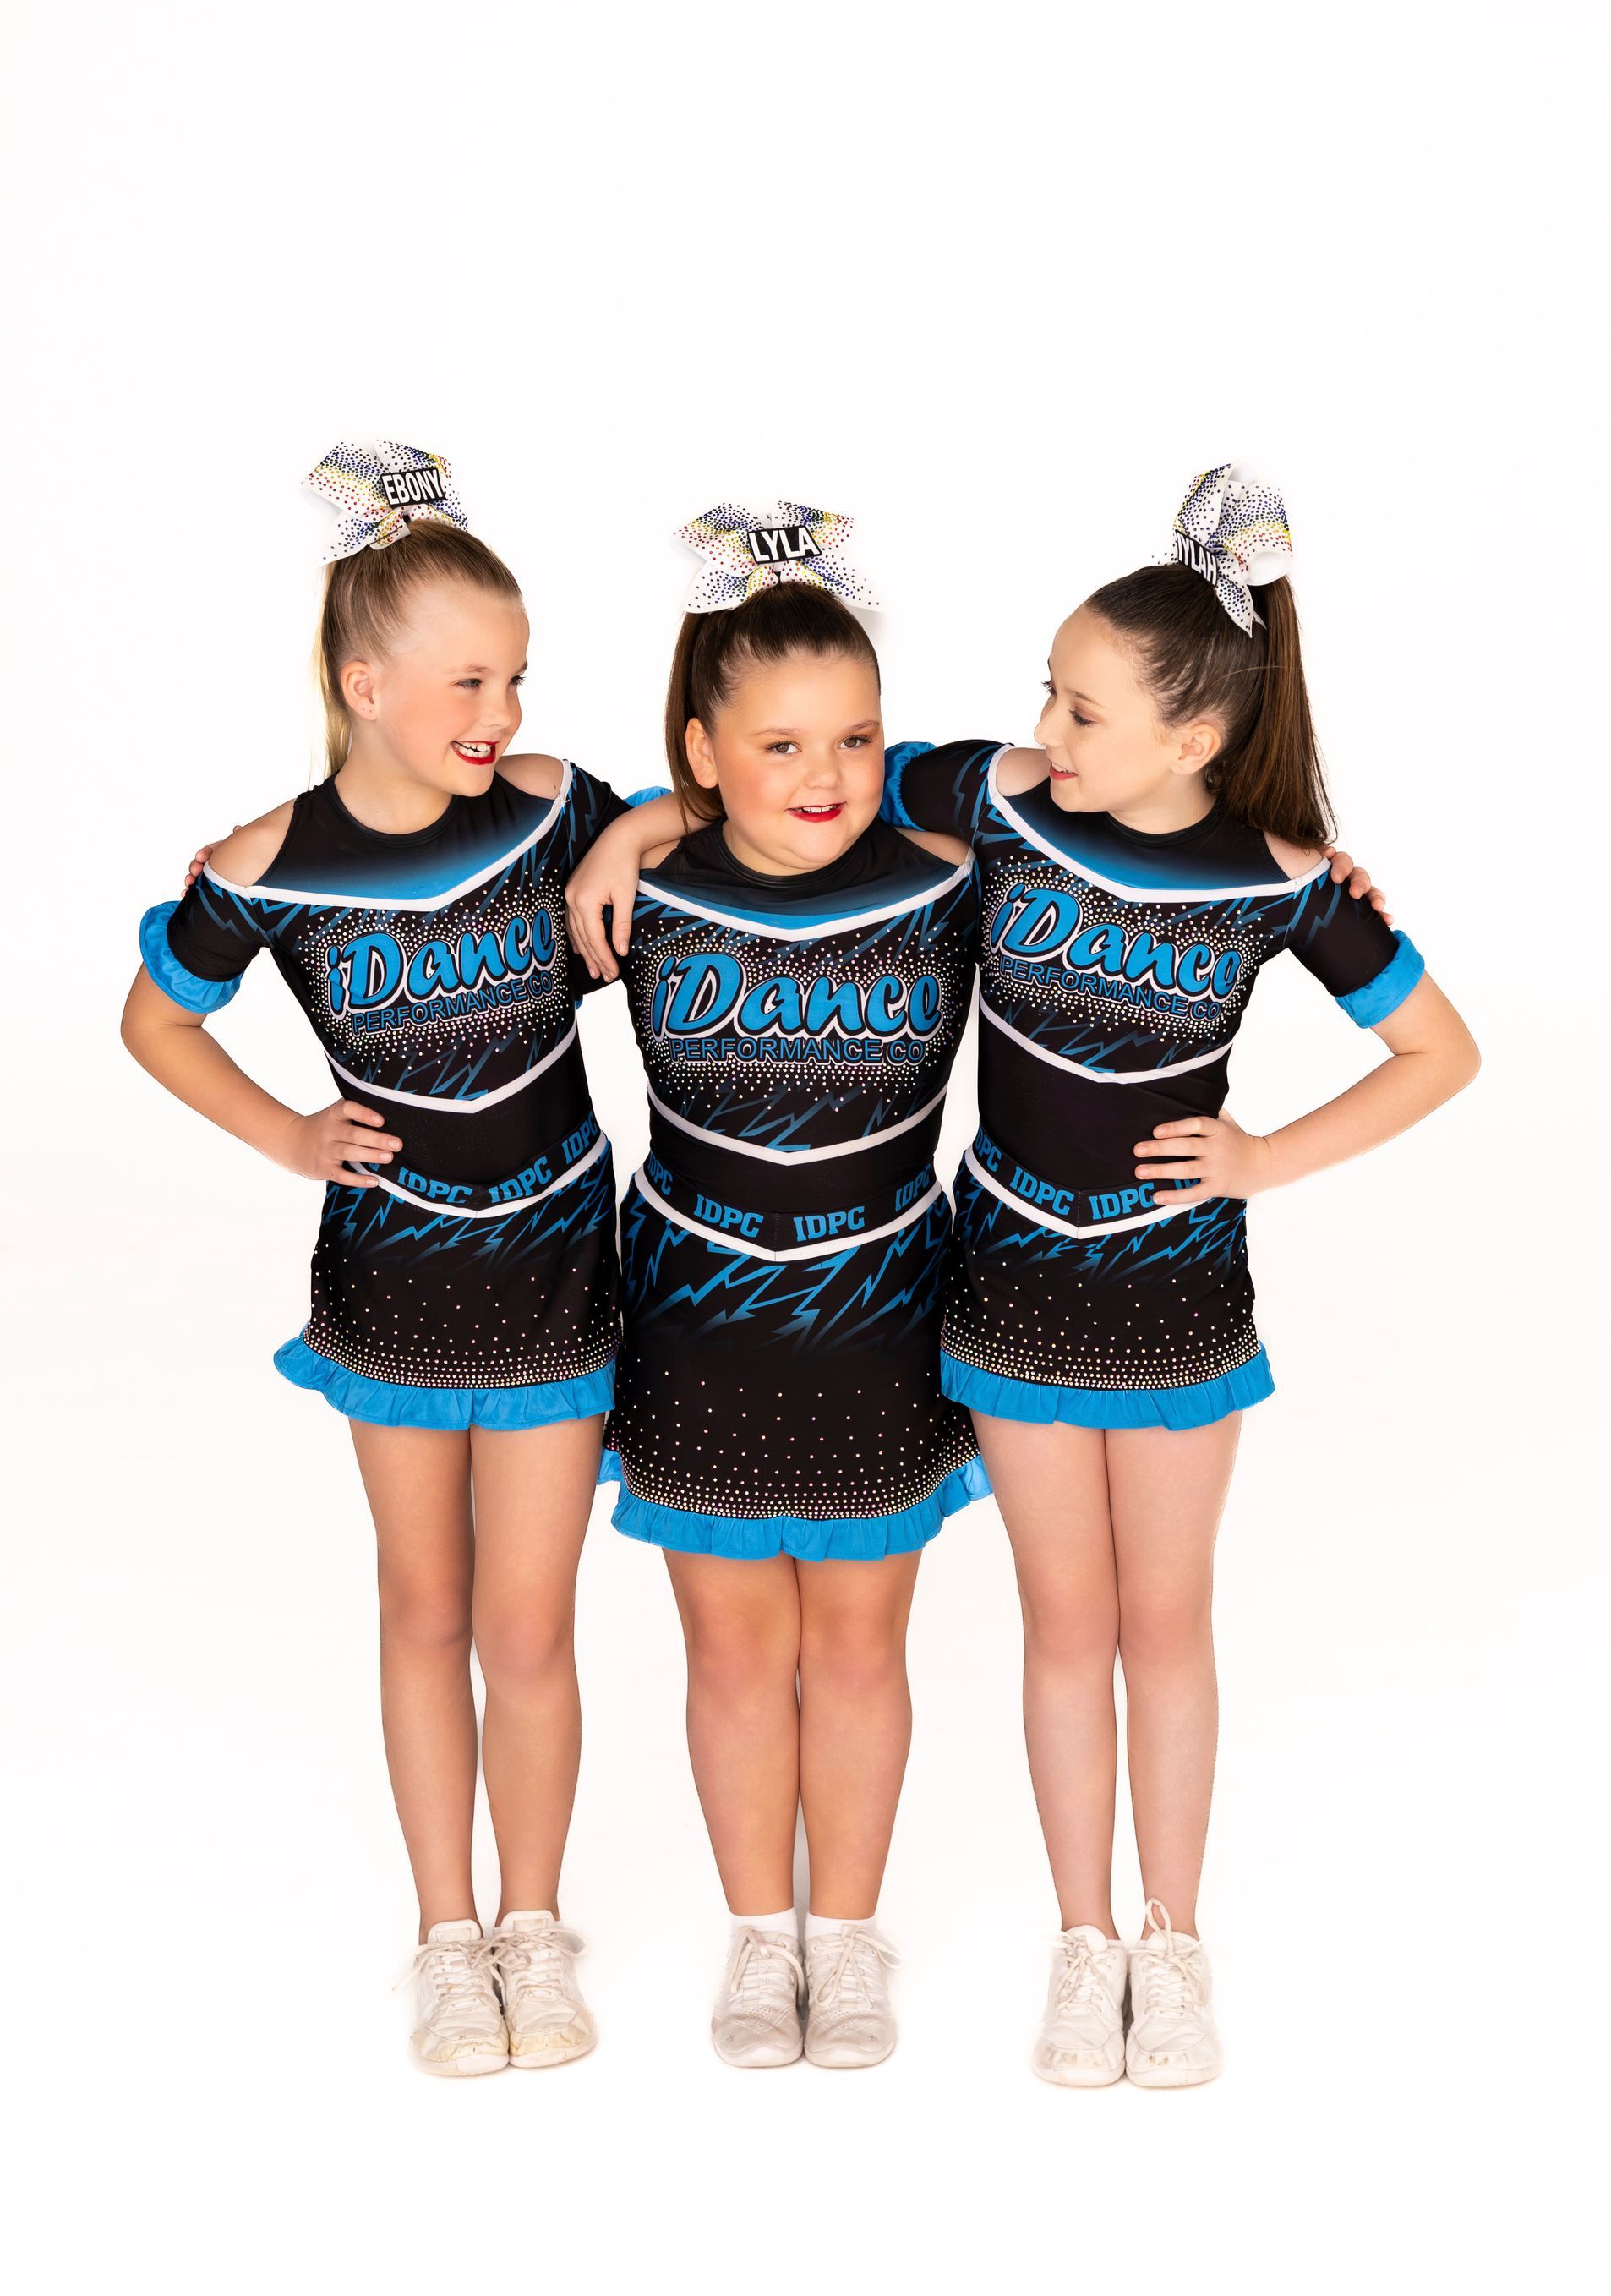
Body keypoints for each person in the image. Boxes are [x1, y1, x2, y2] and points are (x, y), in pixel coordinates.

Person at [879, 466, 1480, 2086]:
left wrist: (1269, 1157)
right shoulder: (998, 802)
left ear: (1193, 739)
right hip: (1005, 1281)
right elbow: (815, 782)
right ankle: (1083, 1945)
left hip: (1173, 1302)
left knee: (1167, 1618)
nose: (1048, 733)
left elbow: (1442, 1050)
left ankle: (1177, 1936)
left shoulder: (1282, 879)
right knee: (1061, 1622)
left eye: (1082, 712)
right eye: (1049, 700)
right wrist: (647, 823)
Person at [122, 442, 633, 2075]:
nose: (501, 708)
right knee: (424, 1606)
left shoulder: (556, 810)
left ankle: (536, 1928)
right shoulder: (270, 864)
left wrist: (633, 838)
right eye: (469, 677)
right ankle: (443, 1931)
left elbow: (736, 802)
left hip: (557, 1264)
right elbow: (153, 1019)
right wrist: (285, 1135)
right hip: (395, 1286)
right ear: (365, 679)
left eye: (520, 676)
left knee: (531, 1624)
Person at [565, 502, 986, 2069]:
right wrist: (631, 828)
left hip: (886, 1317)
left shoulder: (950, 881)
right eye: (780, 744)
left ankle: (852, 1936)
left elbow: (1101, 792)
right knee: (736, 1649)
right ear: (702, 748)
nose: (824, 778)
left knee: (863, 1646)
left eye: (858, 740)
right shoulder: (630, 900)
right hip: (699, 1318)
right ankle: (760, 1936)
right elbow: (504, 808)